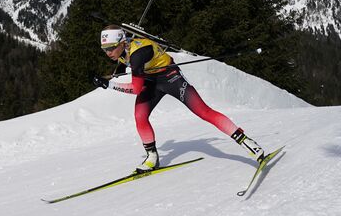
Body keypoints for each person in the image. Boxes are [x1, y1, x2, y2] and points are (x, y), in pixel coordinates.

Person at [93, 25, 265, 173]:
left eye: (111, 48)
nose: (108, 53)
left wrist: (109, 85)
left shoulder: (138, 53)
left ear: (122, 42)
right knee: (140, 117)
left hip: (170, 76)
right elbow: (128, 62)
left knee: (203, 111)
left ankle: (247, 142)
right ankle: (152, 157)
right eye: (105, 49)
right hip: (151, 80)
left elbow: (136, 88)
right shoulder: (124, 49)